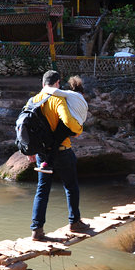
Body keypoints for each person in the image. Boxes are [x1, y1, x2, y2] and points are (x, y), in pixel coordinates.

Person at [30, 70, 86, 241]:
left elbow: (27, 126)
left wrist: (30, 151)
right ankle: (74, 222)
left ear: (42, 84)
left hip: (41, 153)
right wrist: (78, 130)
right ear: (58, 84)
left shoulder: (33, 100)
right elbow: (68, 122)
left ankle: (37, 230)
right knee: (71, 187)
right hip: (62, 151)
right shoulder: (57, 99)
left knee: (42, 190)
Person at [35, 75, 88, 174]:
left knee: (55, 141)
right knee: (57, 140)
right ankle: (47, 163)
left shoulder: (70, 94)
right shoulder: (84, 101)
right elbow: (84, 117)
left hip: (68, 125)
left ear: (71, 89)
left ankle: (48, 164)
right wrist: (78, 129)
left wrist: (44, 88)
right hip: (76, 127)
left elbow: (54, 91)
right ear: (83, 93)